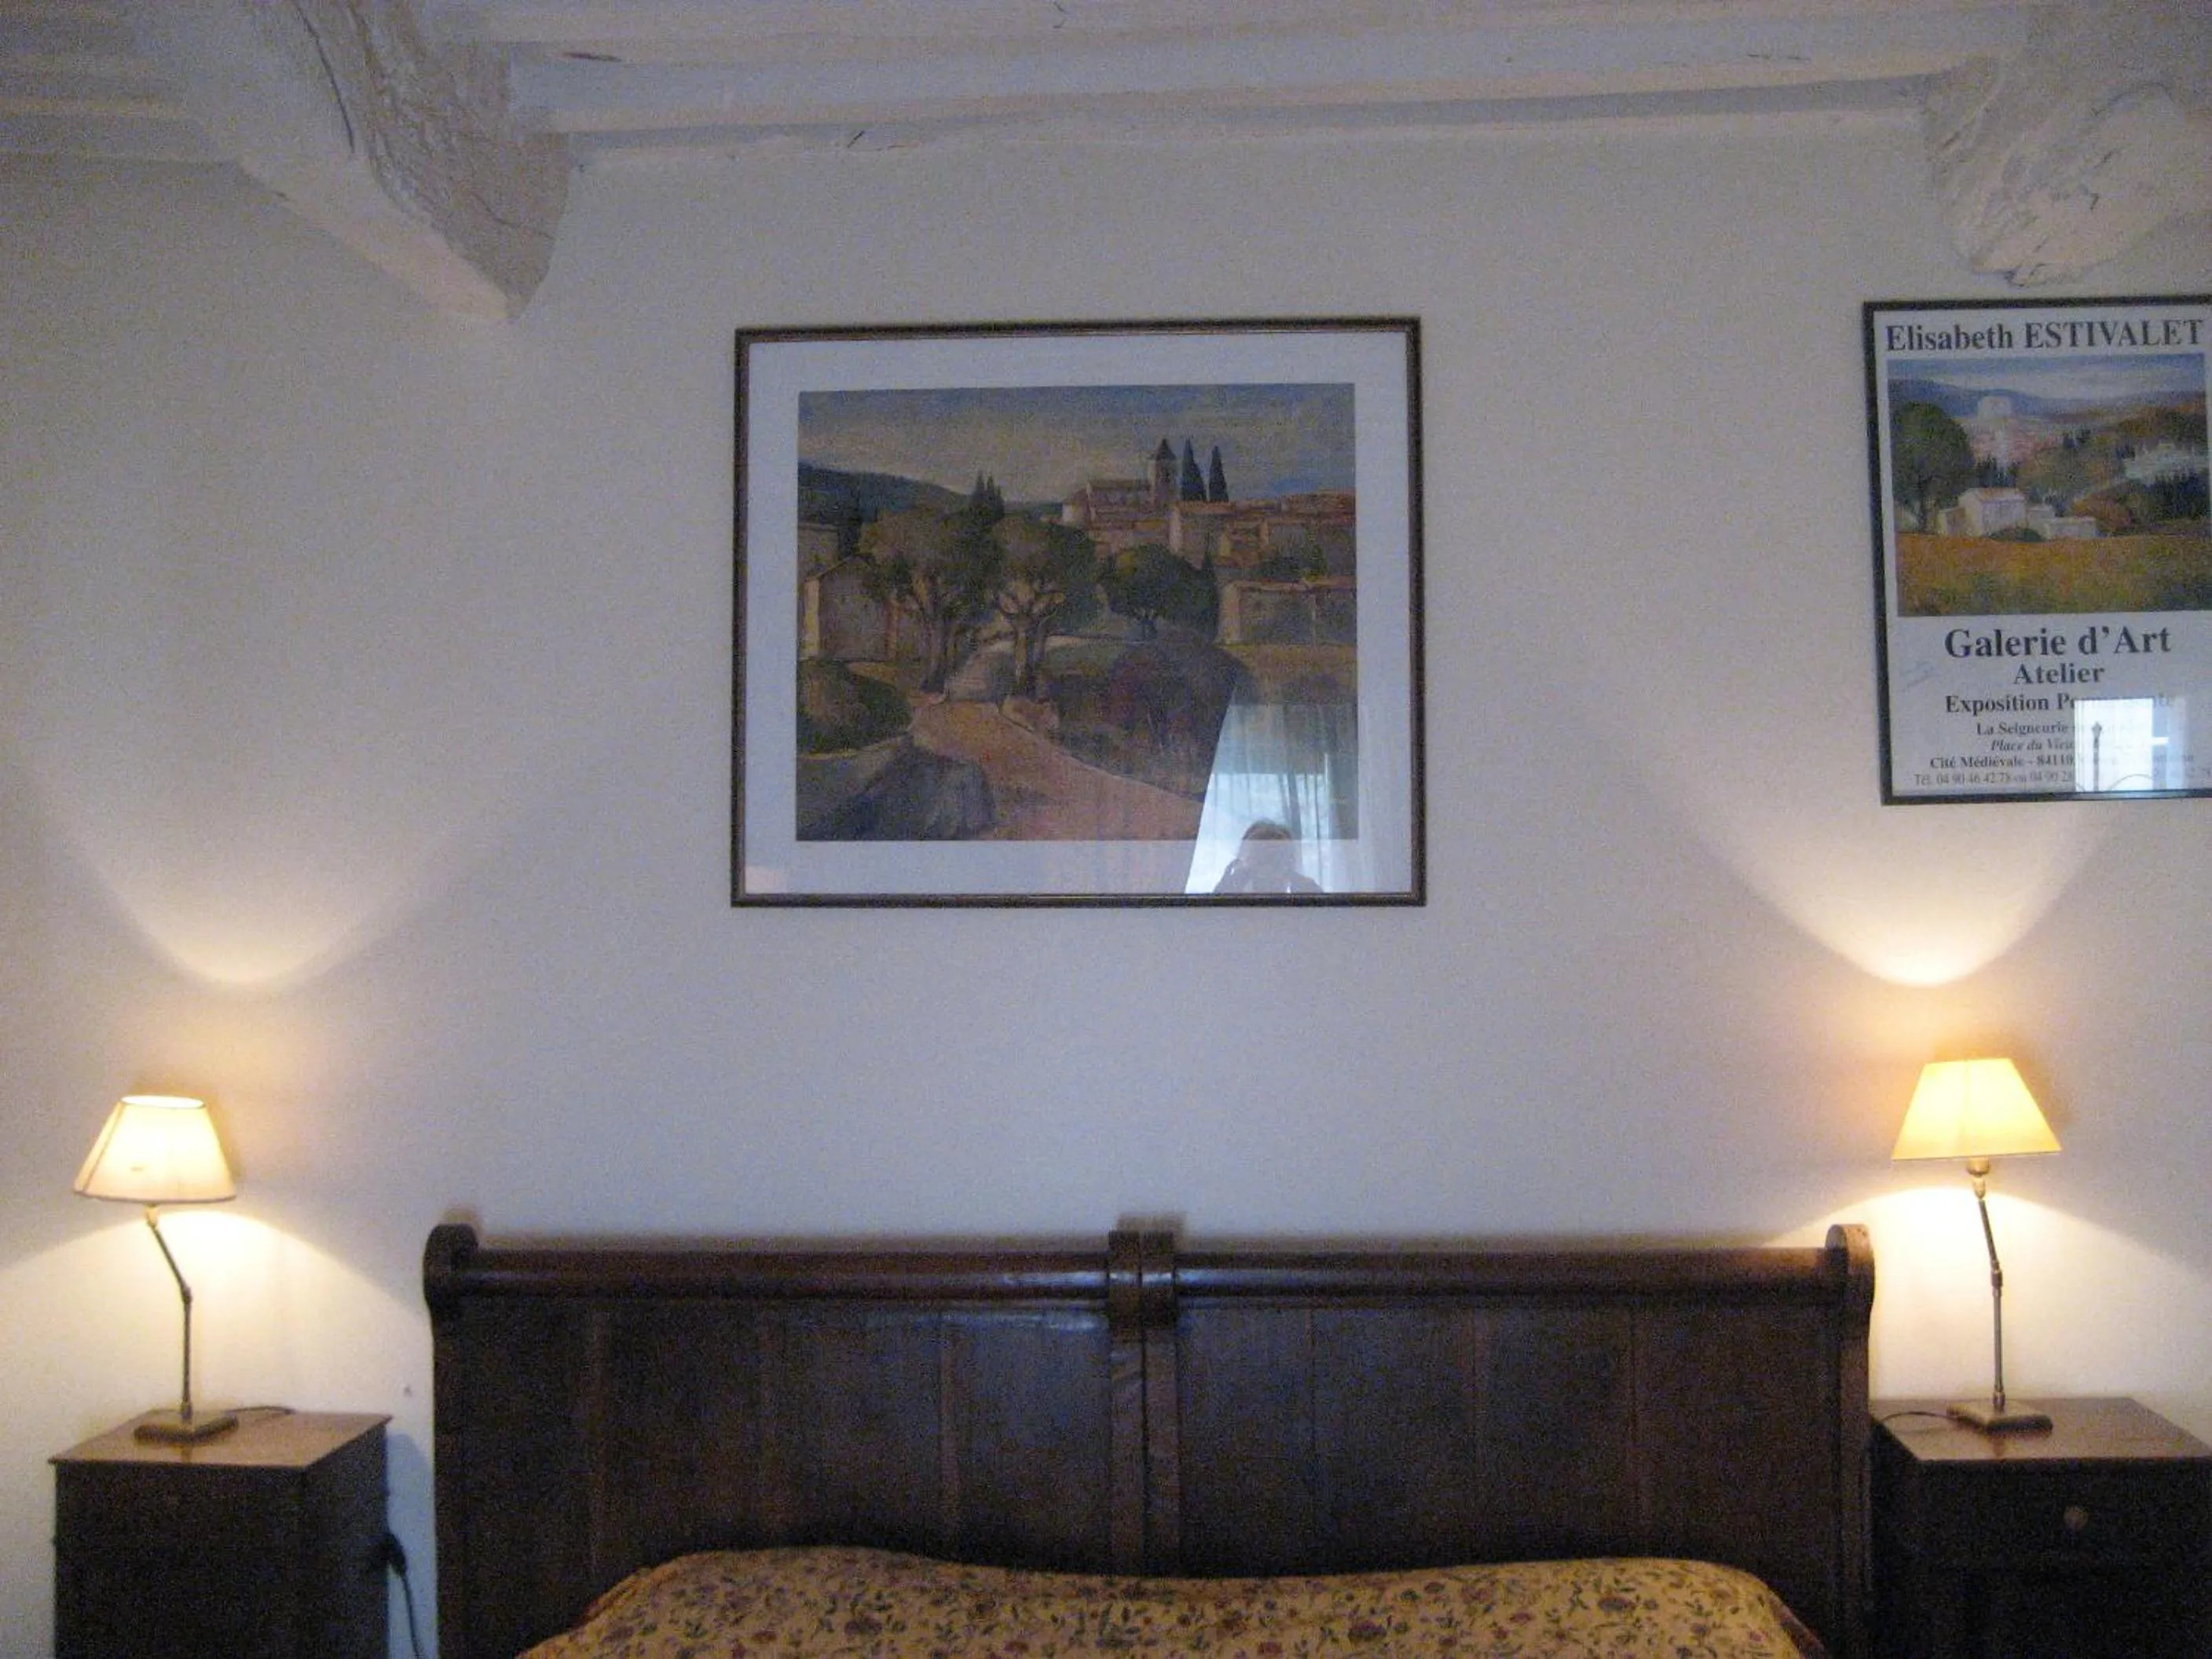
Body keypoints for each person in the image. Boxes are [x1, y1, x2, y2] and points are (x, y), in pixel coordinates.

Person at [1214, 820, 1322, 895]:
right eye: (1259, 856)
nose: (1267, 865)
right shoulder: (1230, 889)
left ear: (1289, 860)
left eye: (1275, 857)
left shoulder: (1307, 891)